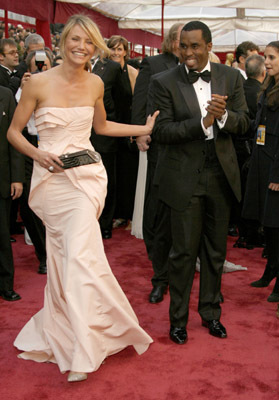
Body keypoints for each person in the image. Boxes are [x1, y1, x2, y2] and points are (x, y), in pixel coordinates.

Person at [7, 14, 158, 382]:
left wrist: (144, 128)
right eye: (76, 39)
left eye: (89, 42)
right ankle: (73, 330)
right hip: (53, 179)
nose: (81, 47)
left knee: (76, 254)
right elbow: (13, 132)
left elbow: (102, 127)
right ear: (62, 42)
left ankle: (82, 347)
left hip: (88, 177)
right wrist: (38, 153)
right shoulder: (37, 83)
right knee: (66, 257)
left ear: (96, 47)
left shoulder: (94, 82)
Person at [151, 21, 249, 344]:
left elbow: (245, 122)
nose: (189, 53)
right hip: (183, 180)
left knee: (215, 252)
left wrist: (222, 117)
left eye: (195, 46)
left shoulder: (231, 77)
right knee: (182, 253)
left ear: (210, 45)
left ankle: (210, 313)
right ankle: (177, 320)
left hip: (220, 177)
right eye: (184, 47)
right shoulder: (163, 81)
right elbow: (162, 132)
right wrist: (201, 122)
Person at [131, 23, 183, 304]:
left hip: (190, 151)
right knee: (157, 218)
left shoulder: (200, 66)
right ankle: (160, 278)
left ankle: (181, 274)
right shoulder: (152, 64)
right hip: (160, 150)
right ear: (171, 40)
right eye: (179, 38)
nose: (184, 44)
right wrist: (139, 133)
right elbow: (140, 103)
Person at [242, 41, 279, 303]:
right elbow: (258, 124)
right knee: (269, 224)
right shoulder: (269, 87)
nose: (266, 61)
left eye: (272, 57)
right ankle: (271, 269)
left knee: (276, 225)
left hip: (275, 166)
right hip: (262, 160)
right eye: (266, 57)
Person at [107, 35, 139, 230]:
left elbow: (137, 103)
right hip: (108, 128)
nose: (116, 53)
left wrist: (134, 129)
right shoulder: (103, 71)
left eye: (120, 49)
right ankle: (117, 214)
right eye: (113, 49)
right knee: (113, 174)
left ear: (126, 52)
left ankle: (129, 214)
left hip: (127, 128)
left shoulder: (133, 72)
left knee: (128, 174)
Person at [0, 86, 24, 301]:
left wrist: (17, 177)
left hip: (2, 178)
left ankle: (6, 284)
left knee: (2, 235)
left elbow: (15, 137)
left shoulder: (5, 95)